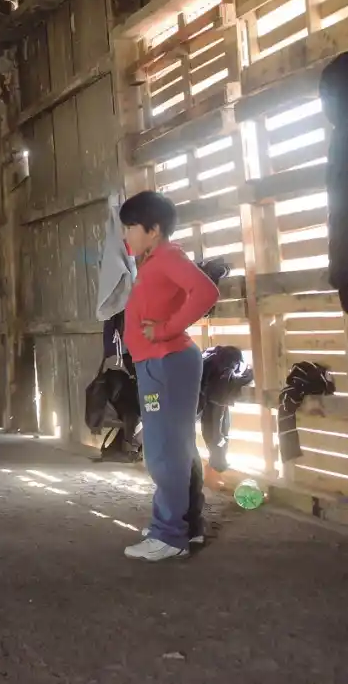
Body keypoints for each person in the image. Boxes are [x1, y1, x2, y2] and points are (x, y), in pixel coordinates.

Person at [117, 190, 219, 561]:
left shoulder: (166, 257)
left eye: (130, 226)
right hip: (163, 363)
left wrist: (164, 330)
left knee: (163, 452)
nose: (125, 234)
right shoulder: (153, 261)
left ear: (154, 229)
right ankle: (185, 526)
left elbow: (206, 291)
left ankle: (169, 535)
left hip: (166, 361)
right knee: (177, 447)